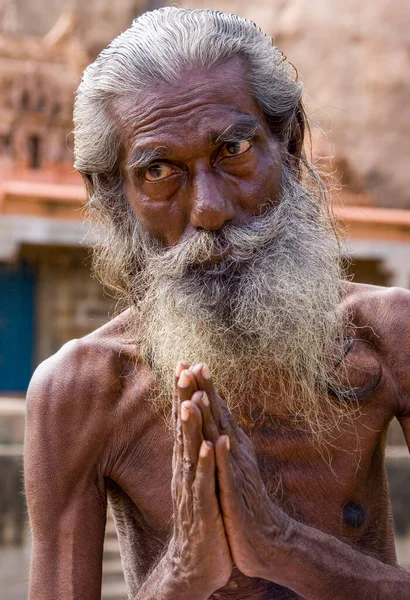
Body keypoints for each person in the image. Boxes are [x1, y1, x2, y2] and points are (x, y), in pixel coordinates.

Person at [24, 7, 410, 600]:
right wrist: (183, 572)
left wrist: (287, 548)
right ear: (117, 197)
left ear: (287, 142)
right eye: (158, 170)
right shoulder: (80, 390)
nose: (208, 208)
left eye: (232, 149)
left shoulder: (392, 337)